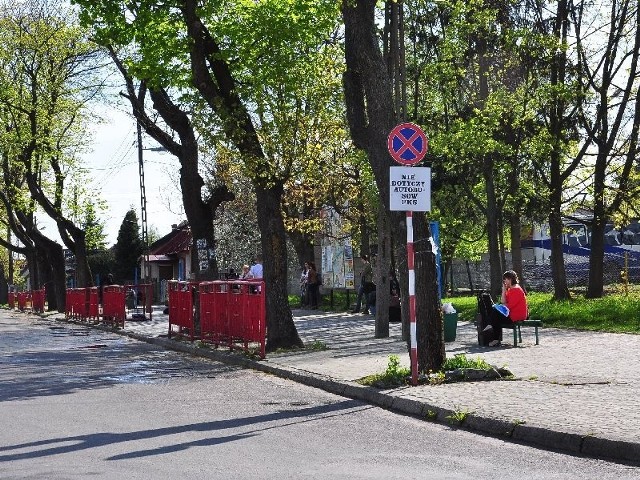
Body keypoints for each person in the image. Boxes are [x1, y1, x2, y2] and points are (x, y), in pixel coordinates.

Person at [483, 270, 529, 347]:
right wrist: (504, 290)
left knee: (495, 314)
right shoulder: (510, 289)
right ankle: (494, 335)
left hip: (517, 315)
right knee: (496, 315)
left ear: (510, 279)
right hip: (511, 313)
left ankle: (492, 331)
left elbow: (508, 305)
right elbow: (503, 301)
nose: (504, 281)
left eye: (505, 279)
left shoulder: (516, 289)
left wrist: (502, 306)